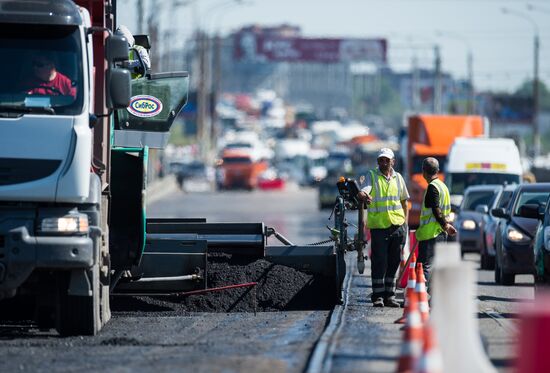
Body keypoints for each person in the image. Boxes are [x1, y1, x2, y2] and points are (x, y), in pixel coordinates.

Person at [357, 148, 409, 308]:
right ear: (378, 162)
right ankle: (378, 296)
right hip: (379, 228)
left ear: (393, 161)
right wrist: (363, 195)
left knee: (394, 262)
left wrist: (405, 224)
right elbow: (363, 192)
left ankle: (390, 296)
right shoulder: (371, 176)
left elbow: (404, 202)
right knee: (379, 262)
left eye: (387, 160)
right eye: (381, 160)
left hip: (397, 227)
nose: (384, 163)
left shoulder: (398, 178)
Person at [415, 157, 457, 291]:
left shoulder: (433, 187)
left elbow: (436, 209)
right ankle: (434, 295)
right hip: (440, 234)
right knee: (436, 266)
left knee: (423, 266)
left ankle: (420, 294)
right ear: (438, 171)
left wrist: (445, 225)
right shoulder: (443, 186)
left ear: (423, 171)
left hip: (430, 234)